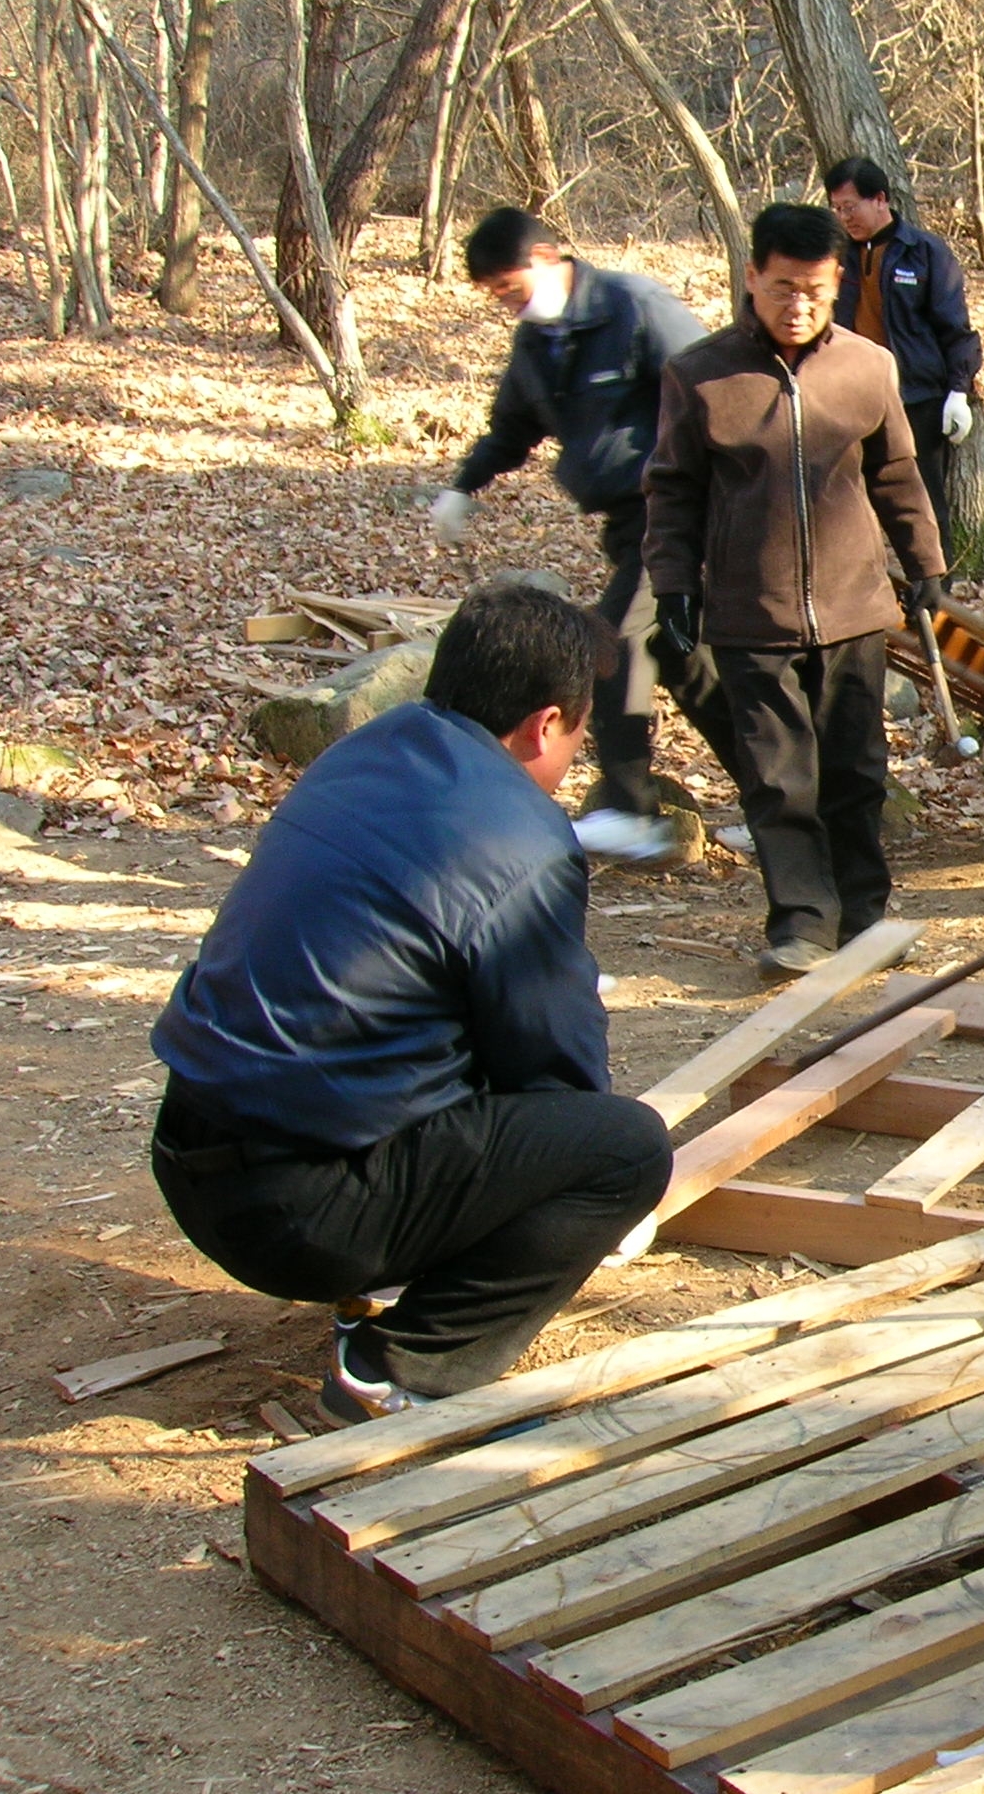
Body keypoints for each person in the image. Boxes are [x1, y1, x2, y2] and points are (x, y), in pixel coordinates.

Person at [149, 583, 673, 1427]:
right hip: (299, 1213)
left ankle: (379, 1277)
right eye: (578, 734)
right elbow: (556, 1069)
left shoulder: (368, 750)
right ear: (545, 725)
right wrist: (578, 1208)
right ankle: (398, 1369)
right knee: (623, 1150)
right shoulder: (520, 838)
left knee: (453, 1046)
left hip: (187, 1150)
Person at [645, 202, 947, 983]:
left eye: (814, 288)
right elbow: (672, 493)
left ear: (836, 281)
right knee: (777, 778)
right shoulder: (701, 375)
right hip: (751, 613)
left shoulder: (867, 366)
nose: (798, 305)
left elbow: (898, 475)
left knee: (855, 770)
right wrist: (675, 590)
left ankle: (867, 916)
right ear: (751, 277)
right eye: (782, 287)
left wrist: (926, 567)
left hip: (853, 607)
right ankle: (802, 924)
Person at [432, 207, 751, 865]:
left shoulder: (632, 306)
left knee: (610, 644)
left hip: (684, 514)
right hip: (626, 523)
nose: (506, 301)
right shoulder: (538, 341)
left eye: (509, 285)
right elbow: (512, 429)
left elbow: (717, 390)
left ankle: (629, 809)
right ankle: (786, 799)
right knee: (689, 671)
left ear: (547, 256)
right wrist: (463, 485)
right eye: (495, 294)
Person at [824, 157, 983, 548]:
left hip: (918, 397)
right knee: (849, 501)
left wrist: (959, 391)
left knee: (925, 501)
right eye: (837, 209)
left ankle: (936, 593)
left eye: (851, 206)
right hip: (851, 395)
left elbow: (955, 329)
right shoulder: (835, 257)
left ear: (879, 199)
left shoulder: (925, 252)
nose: (845, 217)